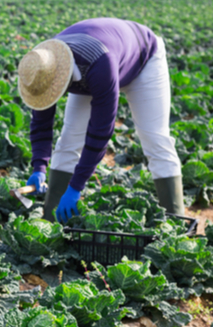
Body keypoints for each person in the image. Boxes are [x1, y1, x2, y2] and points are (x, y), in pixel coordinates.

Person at [18, 17, 183, 223]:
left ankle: (176, 224)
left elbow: (101, 131)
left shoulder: (99, 65)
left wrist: (75, 187)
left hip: (143, 59)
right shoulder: (43, 67)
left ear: (62, 77)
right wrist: (39, 167)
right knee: (69, 139)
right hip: (95, 61)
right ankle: (52, 224)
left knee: (155, 139)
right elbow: (41, 124)